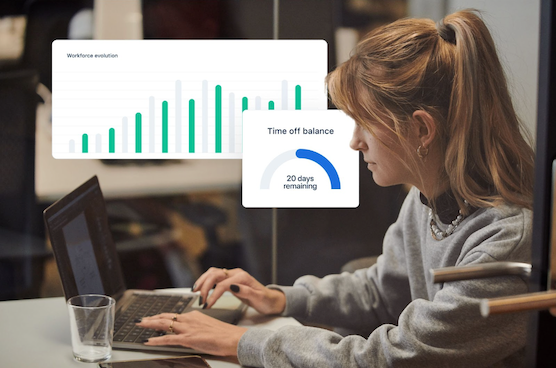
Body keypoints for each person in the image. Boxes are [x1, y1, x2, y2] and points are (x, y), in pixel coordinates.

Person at [137, 9, 535, 367]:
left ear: (421, 129)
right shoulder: (429, 198)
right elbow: (382, 291)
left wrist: (246, 341)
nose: (354, 142)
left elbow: (392, 356)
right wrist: (283, 298)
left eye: (365, 122)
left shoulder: (504, 240)